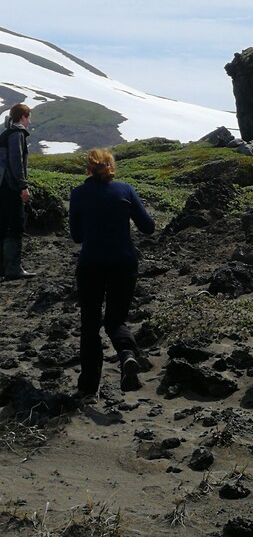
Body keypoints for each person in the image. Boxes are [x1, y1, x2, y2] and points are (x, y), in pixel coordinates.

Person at [69, 148, 155, 396]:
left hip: (91, 263)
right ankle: (127, 354)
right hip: (123, 262)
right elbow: (148, 227)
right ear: (111, 167)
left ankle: (88, 389)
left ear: (88, 168)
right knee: (115, 320)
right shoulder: (125, 190)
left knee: (90, 325)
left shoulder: (78, 193)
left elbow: (76, 236)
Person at [0, 103, 36, 279]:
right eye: (28, 117)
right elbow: (16, 161)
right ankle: (13, 268)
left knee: (3, 224)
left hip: (2, 185)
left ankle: (3, 268)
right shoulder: (17, 134)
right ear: (23, 117)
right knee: (16, 223)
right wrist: (23, 186)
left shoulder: (5, 133)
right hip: (10, 186)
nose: (29, 121)